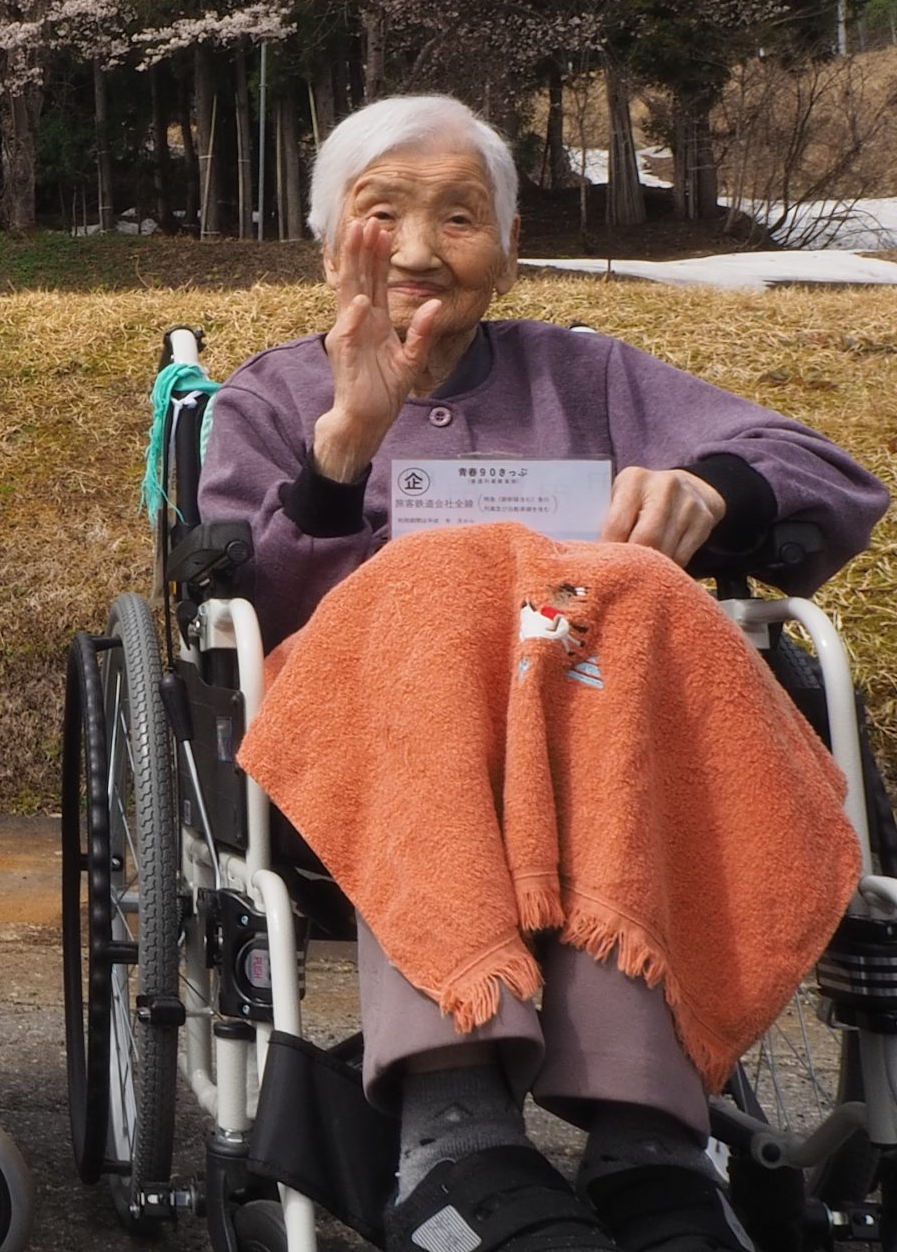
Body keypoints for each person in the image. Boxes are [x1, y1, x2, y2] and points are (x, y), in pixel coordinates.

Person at [200, 95, 888, 1252]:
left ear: (509, 252)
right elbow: (237, 612)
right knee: (435, 584)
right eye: (382, 216)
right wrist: (340, 459)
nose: (419, 249)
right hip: (380, 756)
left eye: (460, 217)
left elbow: (828, 472)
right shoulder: (269, 399)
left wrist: (713, 489)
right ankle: (450, 1126)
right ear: (330, 249)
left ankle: (649, 1139)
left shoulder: (590, 378)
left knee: (627, 593)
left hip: (591, 740)